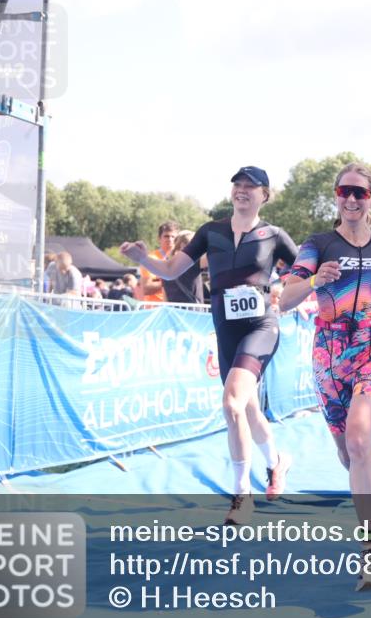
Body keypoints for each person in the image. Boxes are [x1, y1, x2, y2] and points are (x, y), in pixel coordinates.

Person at [120, 166, 297, 525]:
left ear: (265, 195)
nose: (243, 191)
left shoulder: (274, 235)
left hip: (261, 325)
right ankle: (277, 462)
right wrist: (142, 260)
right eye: (238, 185)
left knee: (231, 403)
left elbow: (307, 272)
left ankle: (241, 495)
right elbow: (170, 270)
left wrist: (289, 290)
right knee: (246, 409)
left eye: (252, 186)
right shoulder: (210, 232)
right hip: (226, 328)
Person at [280, 162, 371, 592]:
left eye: (361, 192)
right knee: (349, 454)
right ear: (336, 196)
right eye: (345, 191)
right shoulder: (317, 245)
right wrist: (314, 280)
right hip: (330, 353)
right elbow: (285, 298)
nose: (352, 199)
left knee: (359, 438)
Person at [137, 222, 179, 302]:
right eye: (166, 236)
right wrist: (170, 281)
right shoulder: (150, 258)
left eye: (173, 237)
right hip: (155, 309)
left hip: (175, 308)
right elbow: (146, 289)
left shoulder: (180, 259)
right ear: (159, 238)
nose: (170, 239)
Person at [162, 229, 205, 304]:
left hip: (172, 311)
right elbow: (215, 257)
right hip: (193, 311)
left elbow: (164, 295)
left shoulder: (166, 264)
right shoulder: (194, 262)